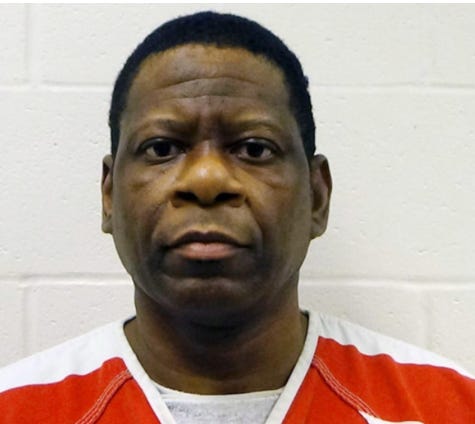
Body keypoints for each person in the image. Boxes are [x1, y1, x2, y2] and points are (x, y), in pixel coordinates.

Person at [0, 11, 474, 424]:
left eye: (254, 149)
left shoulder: (451, 407)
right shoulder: (16, 408)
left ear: (317, 197)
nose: (206, 180)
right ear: (109, 195)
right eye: (161, 148)